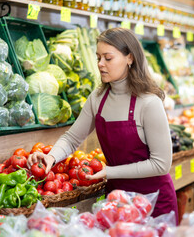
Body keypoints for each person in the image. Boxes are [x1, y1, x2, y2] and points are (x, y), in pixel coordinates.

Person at [27, 27, 179, 223]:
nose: (100, 64)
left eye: (108, 58)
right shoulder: (98, 98)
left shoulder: (149, 102)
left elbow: (161, 164)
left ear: (130, 58)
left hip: (154, 202)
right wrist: (51, 157)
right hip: (116, 200)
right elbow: (72, 138)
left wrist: (110, 171)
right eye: (98, 57)